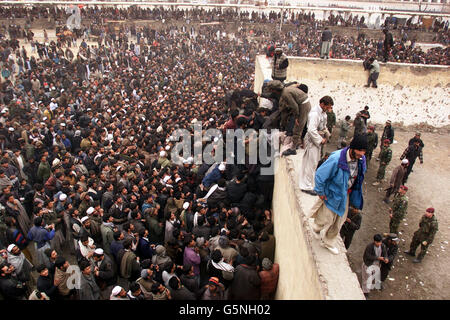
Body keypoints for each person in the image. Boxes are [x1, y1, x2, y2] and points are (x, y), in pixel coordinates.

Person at [310, 135, 367, 255]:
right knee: (327, 216)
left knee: (339, 219)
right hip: (332, 193)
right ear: (352, 148)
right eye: (359, 150)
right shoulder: (336, 159)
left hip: (345, 194)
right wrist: (320, 192)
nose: (361, 154)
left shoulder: (361, 160)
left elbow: (359, 178)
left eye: (363, 151)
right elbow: (320, 175)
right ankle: (317, 228)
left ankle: (328, 242)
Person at [299, 96, 333, 195]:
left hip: (318, 139)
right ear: (322, 104)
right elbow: (311, 130)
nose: (328, 109)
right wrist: (320, 140)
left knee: (313, 162)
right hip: (312, 140)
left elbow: (323, 126)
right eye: (327, 106)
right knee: (311, 162)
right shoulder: (314, 113)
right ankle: (306, 186)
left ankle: (308, 183)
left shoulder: (323, 114)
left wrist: (326, 134)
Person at [279, 83, 311, 156]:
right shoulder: (292, 93)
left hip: (292, 135)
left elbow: (294, 107)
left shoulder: (300, 105)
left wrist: (296, 117)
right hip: (291, 133)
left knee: (297, 128)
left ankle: (293, 148)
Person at [361, 234, 388, 298]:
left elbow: (385, 253)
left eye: (380, 242)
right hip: (368, 264)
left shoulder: (383, 246)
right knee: (366, 278)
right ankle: (365, 292)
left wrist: (385, 258)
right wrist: (378, 258)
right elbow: (368, 256)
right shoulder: (369, 247)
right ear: (375, 241)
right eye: (378, 242)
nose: (379, 243)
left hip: (377, 264)